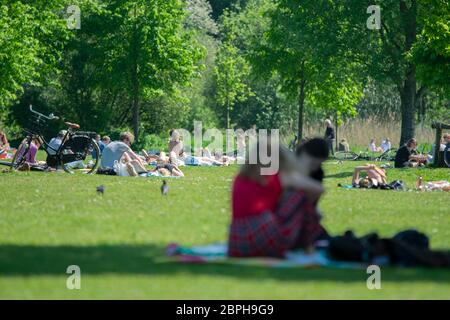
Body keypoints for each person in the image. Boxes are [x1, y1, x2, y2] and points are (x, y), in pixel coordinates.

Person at [228, 138, 327, 258]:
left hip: (236, 241)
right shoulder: (278, 176)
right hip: (263, 236)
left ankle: (306, 245)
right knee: (300, 197)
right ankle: (308, 247)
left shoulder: (240, 177)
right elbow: (319, 189)